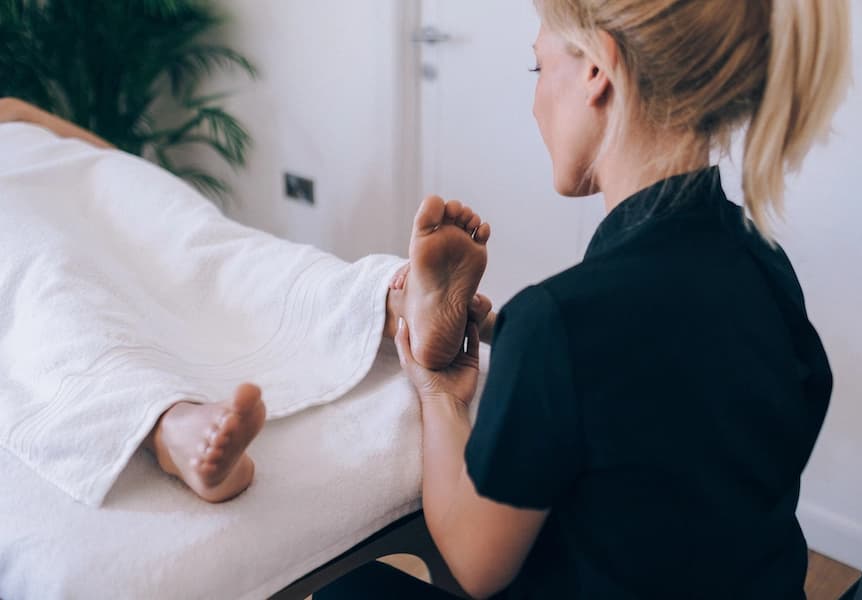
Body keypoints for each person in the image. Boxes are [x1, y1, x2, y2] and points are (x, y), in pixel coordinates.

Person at [316, 0, 851, 598]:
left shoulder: (558, 321)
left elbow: (475, 561)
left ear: (598, 68)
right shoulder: (766, 264)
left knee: (351, 590)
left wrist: (438, 392)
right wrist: (519, 347)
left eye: (538, 69)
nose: (536, 102)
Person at [0, 97, 497, 503]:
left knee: (214, 248)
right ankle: (174, 423)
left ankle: (392, 303)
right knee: (55, 274)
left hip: (92, 183)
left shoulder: (10, 108)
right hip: (19, 208)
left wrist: (127, 183)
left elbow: (98, 154)